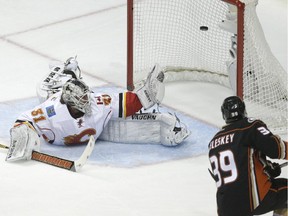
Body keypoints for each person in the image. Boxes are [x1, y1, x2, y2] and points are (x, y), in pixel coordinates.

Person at [6, 57, 190, 162]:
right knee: (44, 89)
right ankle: (65, 70)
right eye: (82, 99)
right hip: (56, 108)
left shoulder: (96, 102)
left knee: (122, 122)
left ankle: (167, 130)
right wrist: (23, 137)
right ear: (71, 103)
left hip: (95, 132)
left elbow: (127, 103)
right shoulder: (50, 111)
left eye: (86, 96)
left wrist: (145, 97)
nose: (87, 101)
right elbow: (24, 119)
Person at [208, 96, 287, 216]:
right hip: (250, 200)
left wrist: (267, 168)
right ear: (243, 110)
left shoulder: (213, 142)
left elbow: (241, 165)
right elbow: (275, 149)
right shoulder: (250, 126)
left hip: (225, 207)